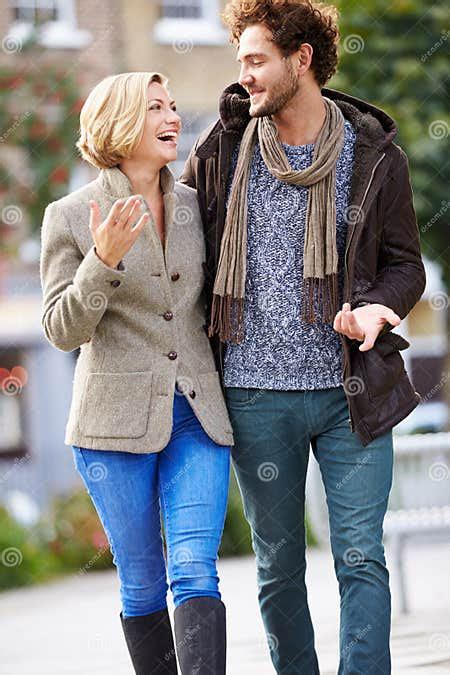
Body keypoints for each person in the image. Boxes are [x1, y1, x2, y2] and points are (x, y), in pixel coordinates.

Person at [181, 1, 426, 672]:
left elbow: (407, 264)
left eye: (257, 60)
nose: (245, 76)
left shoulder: (375, 152)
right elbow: (176, 245)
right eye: (241, 63)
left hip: (354, 388)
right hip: (255, 395)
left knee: (359, 555)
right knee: (279, 566)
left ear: (302, 59)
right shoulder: (223, 148)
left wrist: (377, 309)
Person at [40, 71, 234, 674]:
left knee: (197, 568)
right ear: (120, 124)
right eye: (155, 108)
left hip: (197, 415)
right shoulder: (69, 215)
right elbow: (61, 329)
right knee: (144, 581)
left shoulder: (195, 206)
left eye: (174, 106)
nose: (172, 117)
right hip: (112, 427)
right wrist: (102, 262)